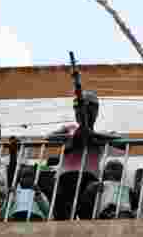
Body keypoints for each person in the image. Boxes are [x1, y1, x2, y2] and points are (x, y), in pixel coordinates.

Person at [47, 91, 124, 220]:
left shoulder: (102, 134)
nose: (80, 113)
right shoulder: (69, 129)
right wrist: (73, 138)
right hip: (66, 177)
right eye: (77, 110)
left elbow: (121, 141)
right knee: (62, 216)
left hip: (89, 178)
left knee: (87, 215)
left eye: (89, 109)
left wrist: (93, 136)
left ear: (95, 111)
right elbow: (49, 138)